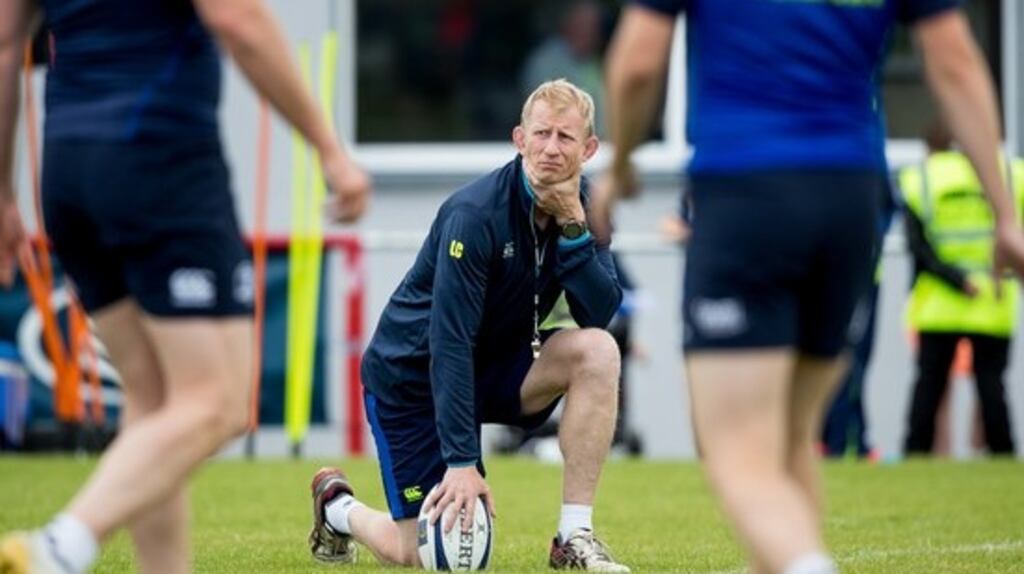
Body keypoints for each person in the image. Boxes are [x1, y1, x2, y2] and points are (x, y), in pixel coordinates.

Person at [595, 2, 1024, 573]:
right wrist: (1005, 214)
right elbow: (956, 64)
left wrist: (620, 165)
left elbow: (639, 63)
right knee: (792, 441)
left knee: (738, 453)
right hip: (851, 200)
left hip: (746, 192)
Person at [0, 1, 370, 573]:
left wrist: (3, 195)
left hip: (67, 171)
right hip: (158, 159)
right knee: (217, 402)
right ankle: (61, 545)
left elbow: (5, 43)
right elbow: (237, 19)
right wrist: (330, 150)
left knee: (153, 407)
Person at [307, 79, 630, 572]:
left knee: (598, 350)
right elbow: (449, 340)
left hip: (498, 366)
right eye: (541, 134)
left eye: (566, 138)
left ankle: (574, 536)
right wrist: (461, 463)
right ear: (519, 139)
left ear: (589, 149)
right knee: (425, 554)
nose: (550, 149)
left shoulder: (588, 209)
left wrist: (573, 228)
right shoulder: (473, 215)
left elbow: (598, 313)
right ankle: (339, 510)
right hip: (413, 379)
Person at [900, 121, 1023, 457]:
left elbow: (917, 246)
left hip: (939, 301)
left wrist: (955, 279)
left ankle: (916, 455)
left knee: (929, 386)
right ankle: (1002, 454)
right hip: (993, 296)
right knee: (991, 385)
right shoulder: (1011, 175)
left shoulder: (921, 178)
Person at [520, 1, 605, 136]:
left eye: (593, 26)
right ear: (567, 25)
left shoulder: (600, 60)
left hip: (600, 146)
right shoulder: (545, 62)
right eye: (582, 25)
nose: (589, 32)